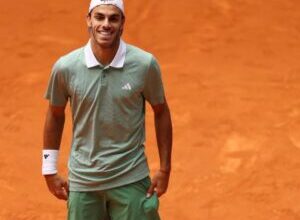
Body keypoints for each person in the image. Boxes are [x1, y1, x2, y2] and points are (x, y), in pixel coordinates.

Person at [42, 0, 172, 219]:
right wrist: (49, 168)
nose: (106, 24)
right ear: (88, 21)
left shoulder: (144, 64)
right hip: (84, 181)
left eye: (113, 18)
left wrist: (165, 168)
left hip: (130, 177)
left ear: (122, 24)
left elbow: (161, 111)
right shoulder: (65, 67)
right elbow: (55, 115)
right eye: (99, 17)